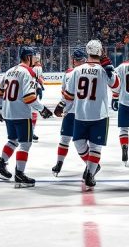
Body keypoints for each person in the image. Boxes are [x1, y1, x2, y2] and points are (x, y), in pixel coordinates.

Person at [62, 39, 119, 190]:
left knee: (79, 144)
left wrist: (64, 108)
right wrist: (111, 71)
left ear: (87, 52)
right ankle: (91, 169)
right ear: (100, 52)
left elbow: (68, 94)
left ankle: (90, 173)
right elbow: (117, 87)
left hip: (80, 114)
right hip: (100, 115)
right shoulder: (103, 70)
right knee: (95, 147)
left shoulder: (77, 70)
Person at [0, 47, 52, 188]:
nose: (35, 60)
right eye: (34, 57)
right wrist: (42, 109)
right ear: (28, 57)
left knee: (12, 140)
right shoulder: (28, 72)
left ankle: (0, 166)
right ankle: (19, 174)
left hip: (8, 112)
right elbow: (29, 97)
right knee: (25, 144)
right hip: (21, 113)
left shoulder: (9, 71)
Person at [52, 48, 87, 176]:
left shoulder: (68, 74)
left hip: (72, 111)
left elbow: (64, 93)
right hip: (84, 112)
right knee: (82, 142)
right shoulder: (89, 72)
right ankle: (90, 165)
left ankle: (59, 163)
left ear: (73, 60)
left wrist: (62, 105)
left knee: (65, 139)